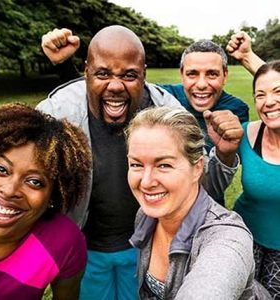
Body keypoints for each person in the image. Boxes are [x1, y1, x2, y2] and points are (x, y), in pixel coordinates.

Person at [39, 25, 243, 300]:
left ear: (144, 73)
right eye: (103, 74)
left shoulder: (168, 111)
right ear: (86, 70)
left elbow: (203, 180)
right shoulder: (57, 111)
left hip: (145, 247)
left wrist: (226, 154)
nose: (115, 86)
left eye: (129, 75)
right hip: (85, 248)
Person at [125, 106, 271, 299]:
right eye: (136, 164)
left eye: (164, 165)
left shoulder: (227, 238)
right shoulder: (147, 215)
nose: (146, 182)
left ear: (198, 168)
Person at [43, 29, 249, 152]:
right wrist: (64, 67)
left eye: (212, 74)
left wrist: (248, 57)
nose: (202, 84)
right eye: (193, 73)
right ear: (182, 74)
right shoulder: (166, 99)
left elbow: (271, 93)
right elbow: (108, 91)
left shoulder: (235, 109)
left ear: (225, 74)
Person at [0, 103, 91, 300]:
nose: (9, 190)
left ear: (53, 197)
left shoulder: (62, 241)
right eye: (1, 170)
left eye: (34, 182)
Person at [230, 61, 280, 299]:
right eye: (260, 95)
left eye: (277, 92)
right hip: (245, 237)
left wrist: (249, 55)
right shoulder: (246, 133)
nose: (268, 102)